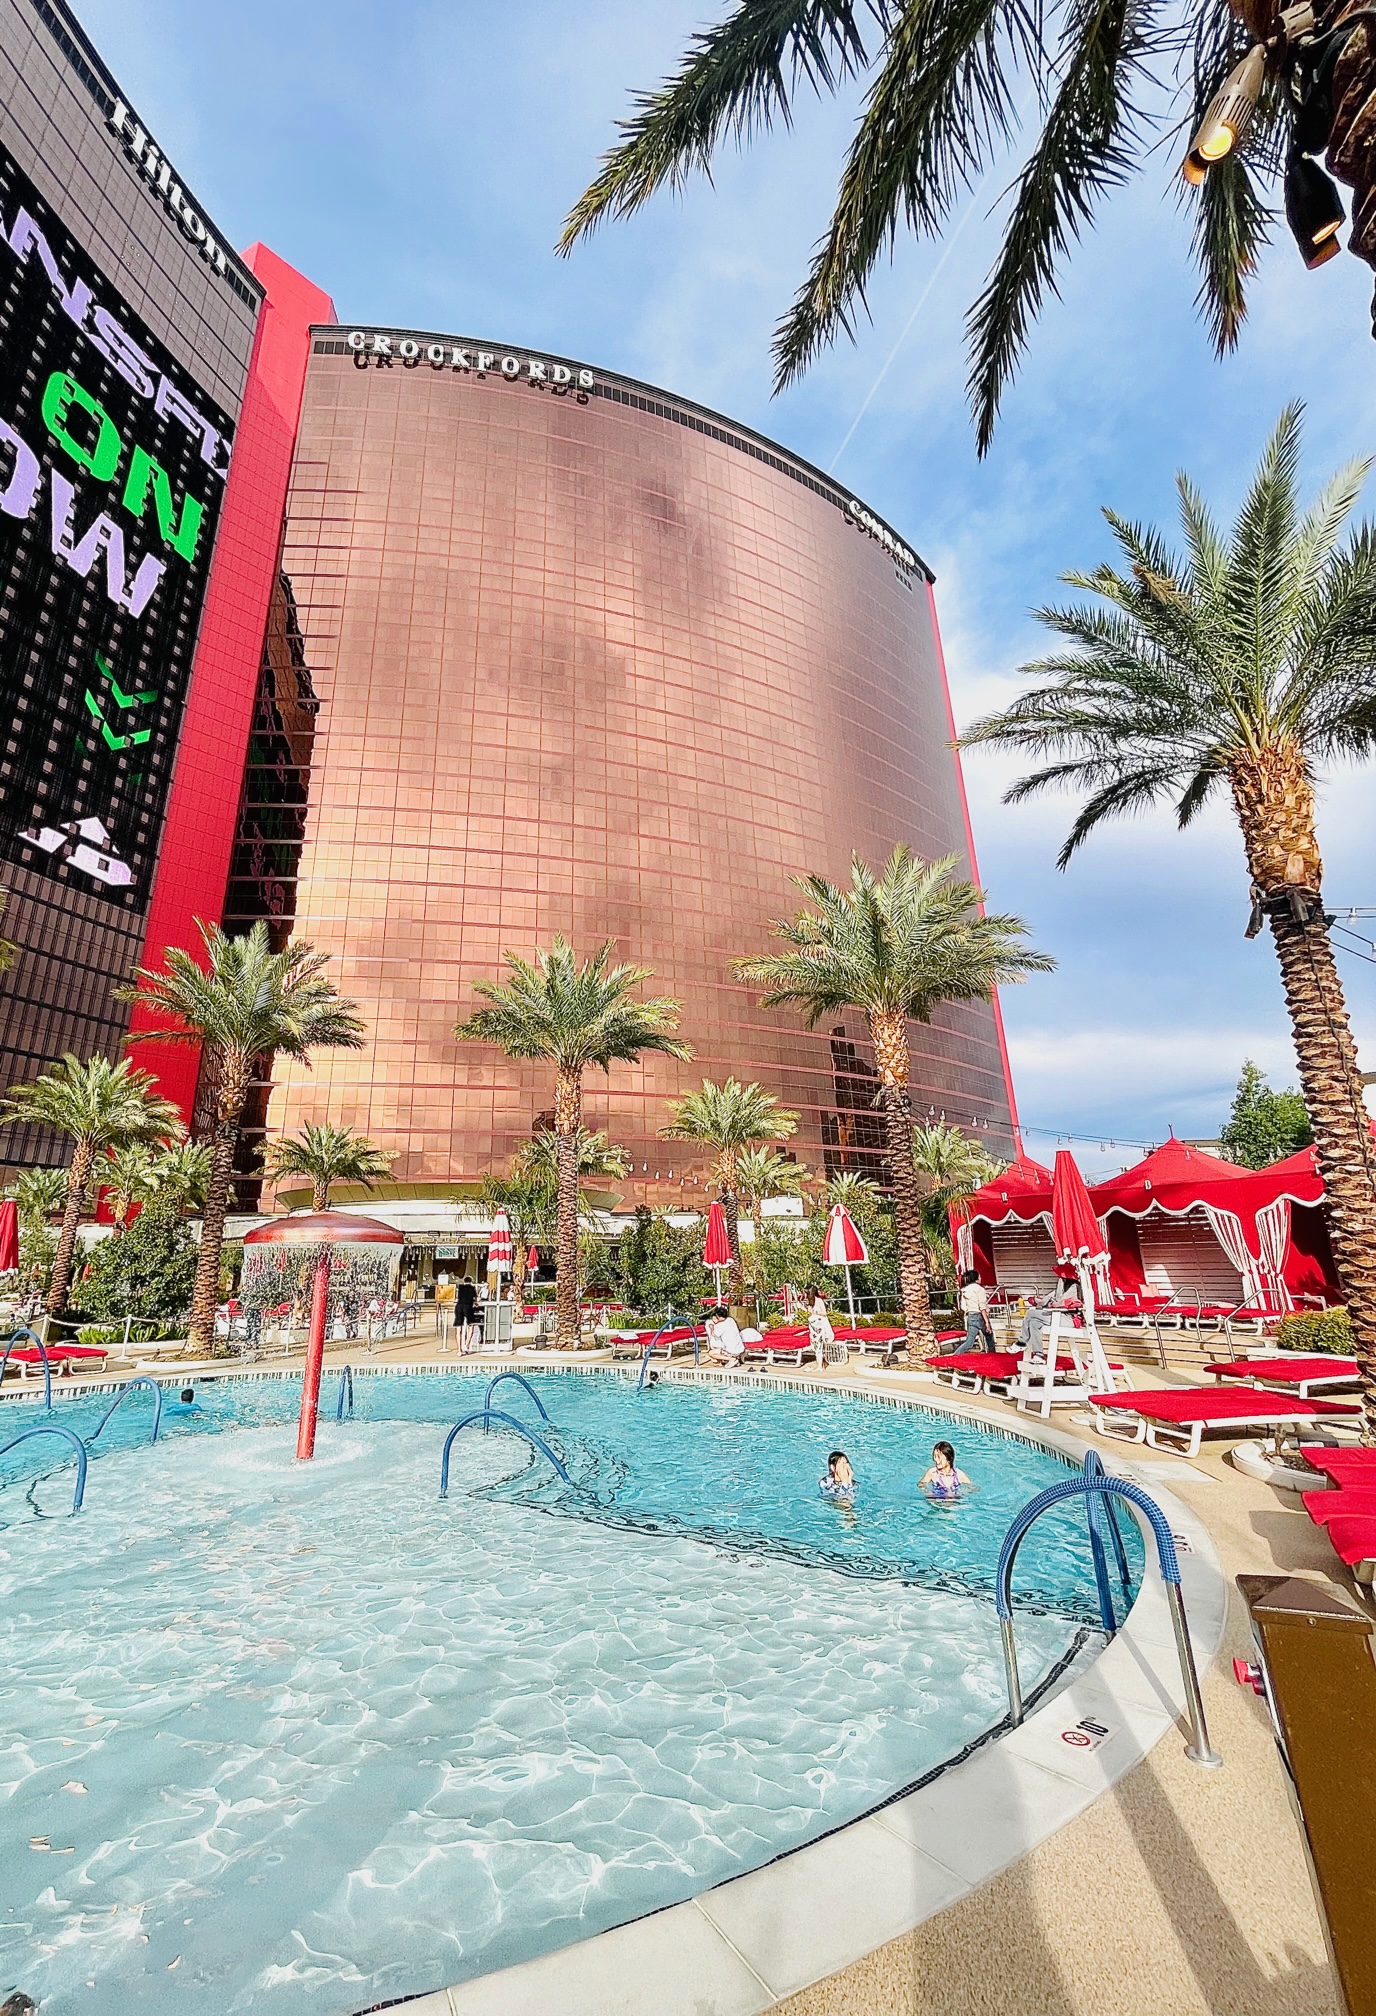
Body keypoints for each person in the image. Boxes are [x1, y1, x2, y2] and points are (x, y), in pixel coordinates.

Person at [957, 1269, 994, 1352]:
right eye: (979, 1277)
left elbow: (963, 1307)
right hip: (980, 1316)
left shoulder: (965, 1290)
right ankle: (993, 1356)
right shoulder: (979, 1289)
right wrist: (987, 1322)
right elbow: (982, 1307)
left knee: (969, 1342)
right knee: (989, 1338)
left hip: (971, 1316)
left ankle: (955, 1356)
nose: (980, 1278)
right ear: (976, 1278)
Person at [805, 1285, 835, 1367]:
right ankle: (820, 1364)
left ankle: (820, 1366)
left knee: (819, 1345)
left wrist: (814, 1311)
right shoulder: (811, 1302)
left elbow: (824, 1313)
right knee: (815, 1345)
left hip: (820, 1325)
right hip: (814, 1325)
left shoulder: (819, 1301)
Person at [455, 1279, 478, 1354]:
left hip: (459, 1307)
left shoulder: (460, 1287)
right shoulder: (472, 1288)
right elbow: (475, 1298)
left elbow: (457, 1297)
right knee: (471, 1325)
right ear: (471, 1281)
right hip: (468, 1307)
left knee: (459, 1328)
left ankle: (459, 1350)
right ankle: (467, 1346)